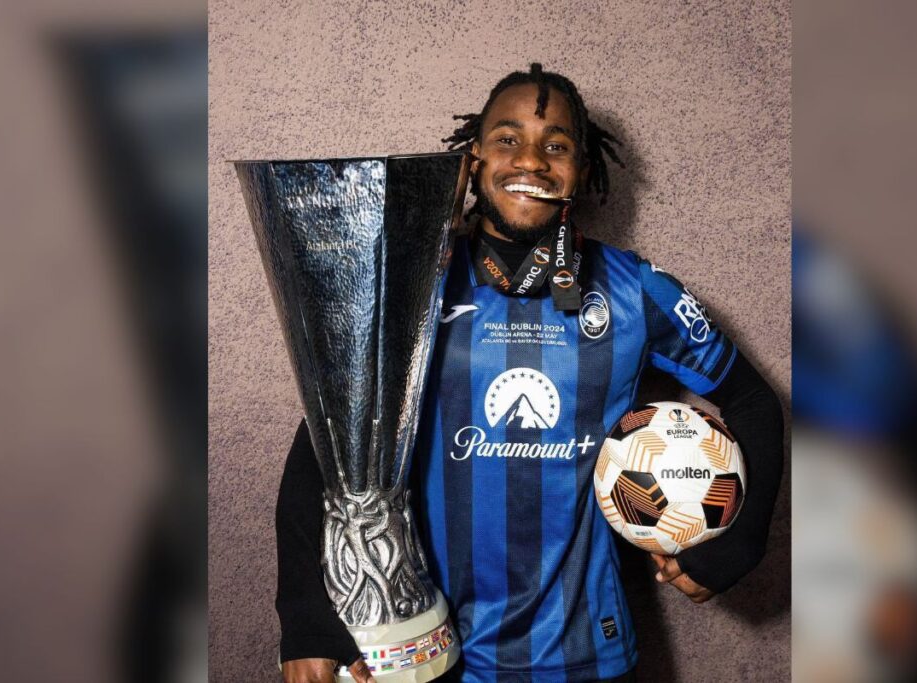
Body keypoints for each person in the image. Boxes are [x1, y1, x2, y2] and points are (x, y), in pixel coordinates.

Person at [277, 63, 784, 683]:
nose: (531, 161)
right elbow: (325, 445)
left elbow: (753, 401)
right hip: (427, 650)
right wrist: (304, 615)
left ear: (584, 170)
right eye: (507, 139)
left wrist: (744, 540)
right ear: (471, 160)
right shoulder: (409, 285)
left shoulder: (635, 290)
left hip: (586, 654)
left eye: (557, 146)